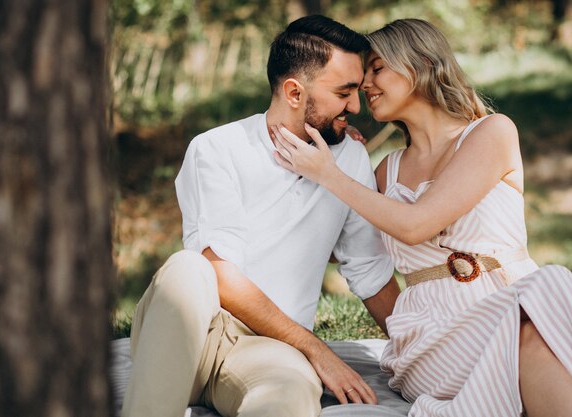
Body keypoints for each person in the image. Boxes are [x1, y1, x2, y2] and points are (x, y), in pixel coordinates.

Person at [272, 18, 572, 417]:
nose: (365, 84)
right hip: (431, 342)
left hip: (519, 314)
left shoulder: (491, 133)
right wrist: (335, 161)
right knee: (550, 285)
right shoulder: (385, 172)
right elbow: (339, 246)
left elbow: (417, 222)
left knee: (533, 344)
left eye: (377, 68)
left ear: (419, 64)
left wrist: (331, 175)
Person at [120, 15, 401, 417]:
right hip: (189, 334)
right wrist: (316, 349)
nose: (356, 106)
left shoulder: (350, 158)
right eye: (344, 92)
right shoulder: (216, 148)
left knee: (287, 398)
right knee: (189, 268)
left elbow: (370, 270)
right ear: (293, 92)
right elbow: (222, 276)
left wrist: (423, 354)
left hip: (270, 354)